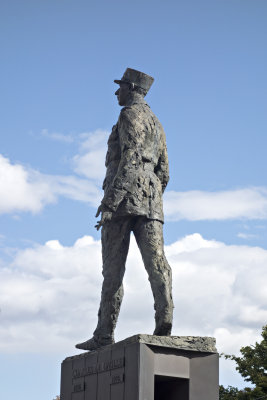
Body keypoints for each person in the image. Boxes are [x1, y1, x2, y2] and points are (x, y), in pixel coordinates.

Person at [76, 68, 174, 351]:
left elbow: (130, 156)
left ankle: (104, 334)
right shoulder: (157, 122)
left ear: (131, 88)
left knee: (113, 270)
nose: (116, 92)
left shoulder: (129, 114)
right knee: (157, 262)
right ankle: (165, 317)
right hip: (152, 200)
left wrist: (111, 201)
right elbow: (164, 171)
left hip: (123, 202)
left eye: (119, 87)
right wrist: (151, 194)